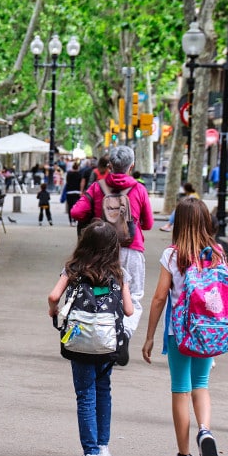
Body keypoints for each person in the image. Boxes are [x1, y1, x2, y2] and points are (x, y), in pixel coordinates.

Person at [142, 198, 223, 456]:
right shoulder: (217, 253)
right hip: (208, 331)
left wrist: (150, 337)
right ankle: (205, 431)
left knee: (180, 389)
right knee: (201, 384)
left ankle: (184, 453)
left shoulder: (172, 255)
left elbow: (159, 298)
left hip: (180, 332)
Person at [48, 220, 134, 456]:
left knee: (85, 394)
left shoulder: (73, 269)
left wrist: (52, 310)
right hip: (107, 342)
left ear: (83, 244)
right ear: (112, 247)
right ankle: (104, 446)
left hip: (78, 339)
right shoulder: (118, 273)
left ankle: (91, 451)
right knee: (103, 389)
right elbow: (128, 310)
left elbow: (54, 295)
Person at [71, 146, 154, 366]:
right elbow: (149, 223)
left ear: (109, 166)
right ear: (132, 166)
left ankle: (102, 338)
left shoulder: (97, 188)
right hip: (132, 249)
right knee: (133, 297)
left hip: (103, 252)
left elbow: (76, 212)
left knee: (102, 292)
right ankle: (124, 334)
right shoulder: (139, 189)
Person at [64, 161, 82, 226]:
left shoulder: (69, 174)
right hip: (77, 192)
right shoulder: (80, 174)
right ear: (77, 168)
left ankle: (70, 221)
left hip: (69, 192)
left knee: (70, 207)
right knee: (75, 207)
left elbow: (67, 181)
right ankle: (74, 220)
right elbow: (81, 183)